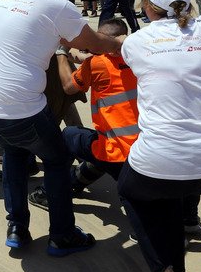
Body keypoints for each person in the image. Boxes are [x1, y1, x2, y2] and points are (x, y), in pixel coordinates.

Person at [0, 0, 123, 255]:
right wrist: (124, 44)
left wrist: (64, 48)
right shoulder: (55, 4)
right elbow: (95, 43)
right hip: (14, 112)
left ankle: (17, 228)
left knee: (15, 151)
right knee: (58, 157)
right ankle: (62, 235)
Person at [118, 0, 201, 272]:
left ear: (148, 6)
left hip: (159, 161)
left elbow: (134, 56)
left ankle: (164, 266)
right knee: (167, 191)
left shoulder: (136, 41)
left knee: (130, 189)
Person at [32, 19, 136, 205]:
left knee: (70, 135)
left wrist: (61, 53)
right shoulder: (140, 59)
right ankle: (76, 181)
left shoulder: (97, 64)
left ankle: (50, 192)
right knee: (97, 146)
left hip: (118, 151)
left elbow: (69, 86)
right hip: (145, 146)